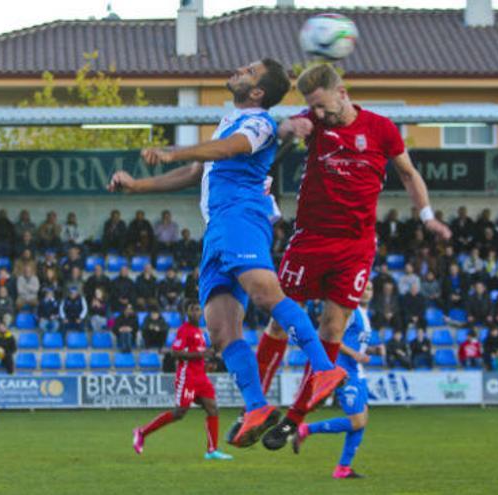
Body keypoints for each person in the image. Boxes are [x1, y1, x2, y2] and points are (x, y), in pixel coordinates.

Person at [110, 59, 346, 447]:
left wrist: (175, 151)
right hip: (217, 226)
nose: (239, 69)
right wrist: (137, 186)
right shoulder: (230, 121)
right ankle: (257, 405)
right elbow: (194, 174)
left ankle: (324, 369)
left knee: (264, 293)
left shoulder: (259, 123)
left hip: (241, 214)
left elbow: (229, 149)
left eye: (249, 71)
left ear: (257, 93)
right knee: (221, 329)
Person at [252, 63, 451, 449]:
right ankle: (256, 407)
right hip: (311, 239)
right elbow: (279, 130)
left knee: (332, 330)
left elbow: (409, 174)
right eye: (313, 108)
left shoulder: (381, 129)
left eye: (324, 106)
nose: (320, 114)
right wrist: (293, 128)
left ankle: (294, 419)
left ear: (342, 92)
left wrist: (427, 216)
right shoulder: (312, 121)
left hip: (356, 247)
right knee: (279, 321)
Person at [291, 282, 381, 478]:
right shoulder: (350, 311)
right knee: (357, 421)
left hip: (358, 372)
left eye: (370, 289)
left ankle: (343, 468)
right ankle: (306, 429)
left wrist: (371, 351)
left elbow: (354, 343)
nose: (367, 292)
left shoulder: (364, 315)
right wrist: (355, 355)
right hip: (344, 370)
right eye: (364, 288)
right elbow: (331, 337)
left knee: (361, 420)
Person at [132, 300, 233, 460]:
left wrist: (209, 358)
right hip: (188, 379)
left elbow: (201, 353)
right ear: (187, 312)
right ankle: (142, 432)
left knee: (213, 408)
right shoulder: (184, 331)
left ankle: (212, 450)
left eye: (198, 309)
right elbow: (175, 353)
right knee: (179, 413)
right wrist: (201, 355)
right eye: (193, 309)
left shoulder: (199, 331)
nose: (196, 312)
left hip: (201, 377)